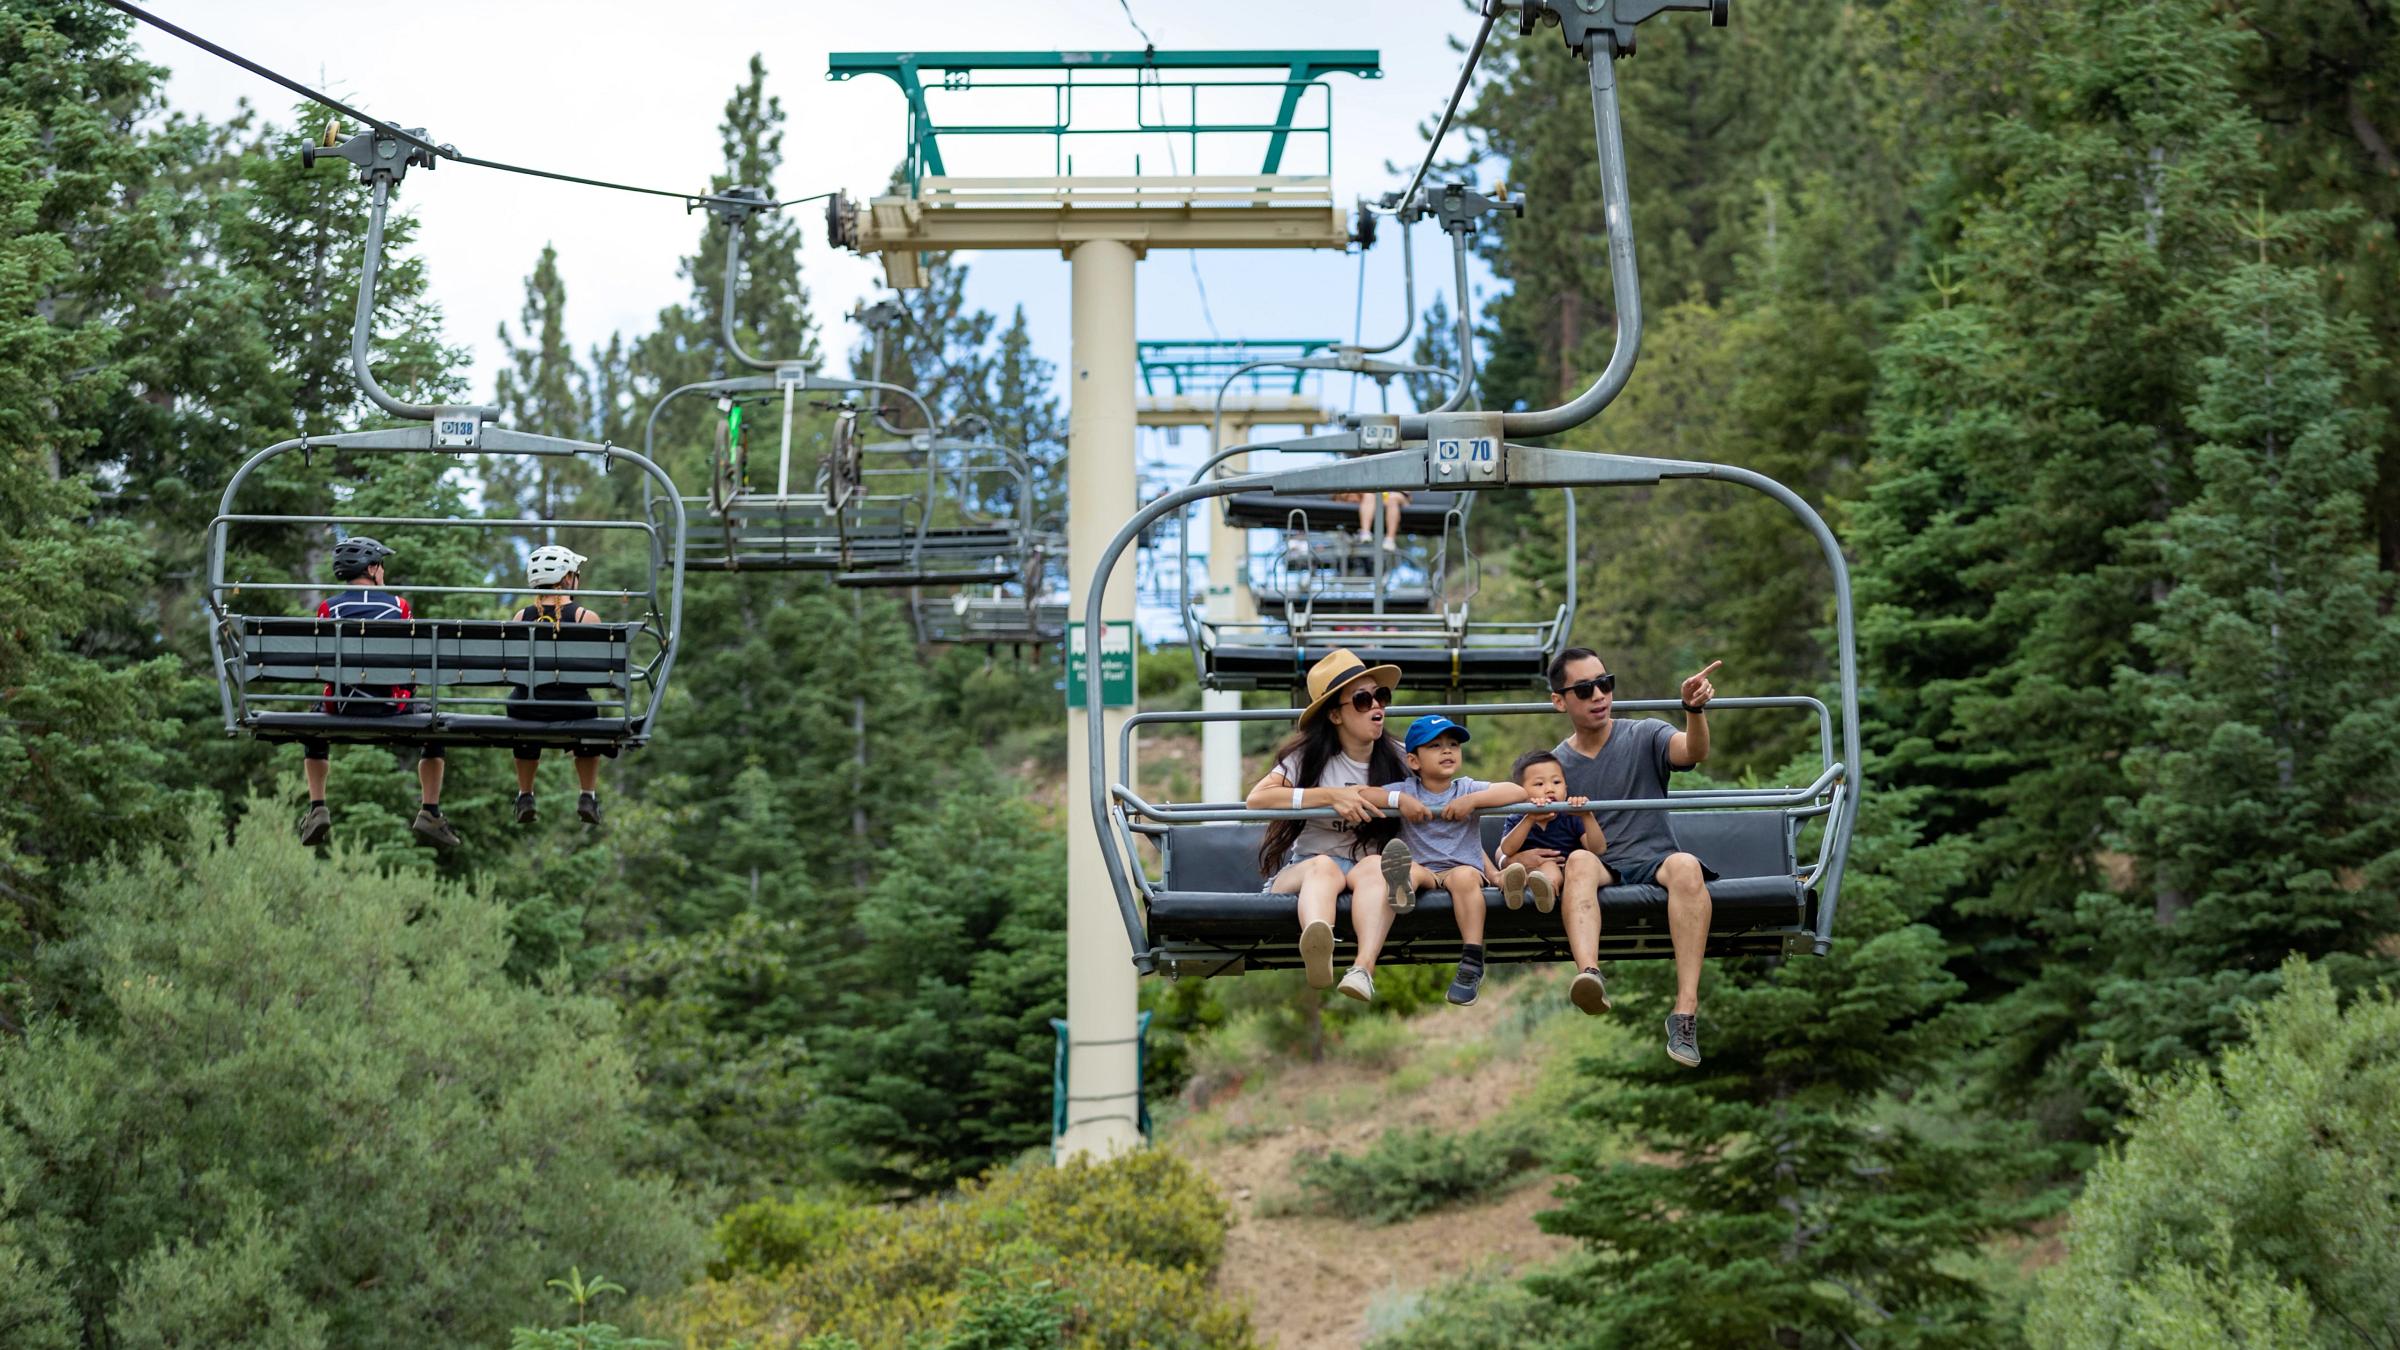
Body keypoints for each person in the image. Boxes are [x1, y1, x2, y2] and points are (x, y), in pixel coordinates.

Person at [1546, 647, 1722, 1066]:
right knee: (1578, 863)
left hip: (1654, 856)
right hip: (1600, 860)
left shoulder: (1644, 734)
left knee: (1686, 866)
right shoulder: (1557, 764)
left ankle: (1685, 1012)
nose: (1599, 696)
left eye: (1605, 684)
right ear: (1560, 701)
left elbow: (1691, 752)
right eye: (1585, 689)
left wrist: (1693, 711)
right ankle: (1589, 973)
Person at [1244, 649, 1407, 1002]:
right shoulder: (1308, 759)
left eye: (1381, 696)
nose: (1377, 707)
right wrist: (1328, 796)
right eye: (1363, 700)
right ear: (1335, 714)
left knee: (1379, 866)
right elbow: (1257, 799)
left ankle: (1363, 969)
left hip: (1366, 868)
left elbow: (1441, 789)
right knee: (1324, 867)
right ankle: (1318, 940)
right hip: (1309, 866)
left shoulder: (1397, 755)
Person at [295, 536, 458, 850]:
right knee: (434, 728)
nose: (383, 571)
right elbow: (415, 663)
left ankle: (317, 807)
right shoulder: (398, 606)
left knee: (313, 727)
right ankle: (430, 811)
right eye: (381, 565)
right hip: (389, 708)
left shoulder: (328, 608)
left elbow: (320, 663)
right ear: (370, 568)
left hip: (339, 708)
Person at [1376, 715, 1529, 1007]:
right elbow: (1364, 794)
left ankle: (1472, 959)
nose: (1447, 751)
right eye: (1435, 746)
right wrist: (1399, 802)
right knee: (1409, 869)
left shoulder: (1467, 788)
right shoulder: (1406, 790)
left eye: (1453, 744)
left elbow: (1518, 791)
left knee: (1465, 879)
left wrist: (1473, 802)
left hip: (1461, 868)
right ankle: (1401, 887)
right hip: (1422, 868)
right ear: (1414, 760)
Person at [505, 544, 609, 827]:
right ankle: (587, 794)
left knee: (523, 714)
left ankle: (525, 794)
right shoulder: (585, 617)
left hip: (525, 708)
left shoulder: (519, 618)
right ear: (566, 579)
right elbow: (599, 672)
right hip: (572, 707)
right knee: (590, 718)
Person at [1495, 749, 1604, 918]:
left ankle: (1547, 891)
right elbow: (1508, 849)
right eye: (1539, 784)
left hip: (1561, 871)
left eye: (1556, 782)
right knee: (1515, 870)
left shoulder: (1571, 816)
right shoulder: (1518, 818)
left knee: (1549, 866)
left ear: (1566, 789)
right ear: (1521, 794)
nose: (1549, 789)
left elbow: (1597, 849)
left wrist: (1587, 815)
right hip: (1526, 870)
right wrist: (1530, 818)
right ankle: (1514, 890)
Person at [1331, 490, 1411, 551]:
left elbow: (1405, 492)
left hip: (1393, 497)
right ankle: (1365, 533)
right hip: (1371, 496)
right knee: (1368, 495)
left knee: (1392, 498)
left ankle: (1390, 539)